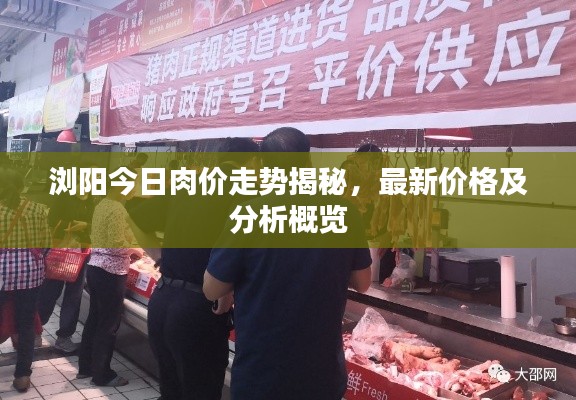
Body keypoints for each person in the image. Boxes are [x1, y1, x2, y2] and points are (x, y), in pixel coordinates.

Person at [203, 128, 372, 400]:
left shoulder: (248, 215)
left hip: (262, 375)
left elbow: (211, 289)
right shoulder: (344, 213)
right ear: (308, 161)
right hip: (321, 375)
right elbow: (363, 283)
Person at [129, 137, 259, 400]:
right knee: (201, 391)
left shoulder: (190, 183)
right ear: (253, 161)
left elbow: (134, 214)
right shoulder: (244, 192)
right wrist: (226, 289)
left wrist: (158, 254)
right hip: (198, 309)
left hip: (162, 301)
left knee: (171, 391)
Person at [77, 181, 143, 387]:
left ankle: (86, 367)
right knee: (108, 324)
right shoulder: (116, 208)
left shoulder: (102, 204)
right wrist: (136, 250)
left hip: (96, 267)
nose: (135, 190)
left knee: (94, 319)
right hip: (111, 272)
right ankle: (102, 375)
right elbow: (115, 245)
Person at [0, 167, 51, 392]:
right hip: (30, 274)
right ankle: (22, 376)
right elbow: (47, 243)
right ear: (22, 187)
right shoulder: (37, 209)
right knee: (26, 323)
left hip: (1, 274)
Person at [37, 189, 94, 353]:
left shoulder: (91, 201)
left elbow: (96, 225)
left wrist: (86, 226)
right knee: (49, 292)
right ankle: (36, 329)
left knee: (73, 297)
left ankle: (64, 337)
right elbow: (51, 221)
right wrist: (69, 226)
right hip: (60, 253)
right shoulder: (63, 197)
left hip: (80, 254)